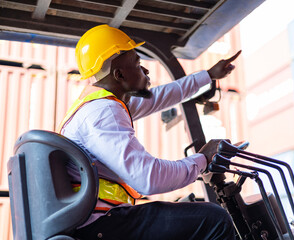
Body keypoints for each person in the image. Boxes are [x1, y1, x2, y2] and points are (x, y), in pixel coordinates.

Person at [59, 24, 241, 240]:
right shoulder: (104, 112)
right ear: (119, 75)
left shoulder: (98, 105)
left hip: (97, 220)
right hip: (101, 224)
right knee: (214, 219)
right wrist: (202, 159)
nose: (145, 70)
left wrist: (208, 75)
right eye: (137, 64)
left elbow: (162, 96)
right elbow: (148, 178)